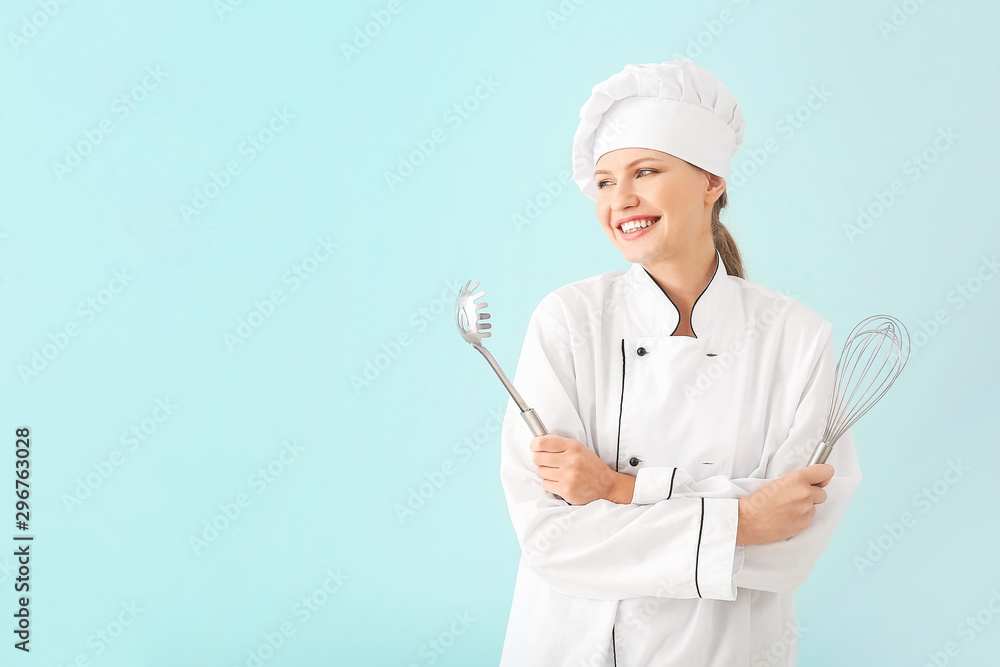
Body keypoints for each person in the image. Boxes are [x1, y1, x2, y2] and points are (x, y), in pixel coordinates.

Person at [497, 60, 862, 666]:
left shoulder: (795, 338)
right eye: (606, 181)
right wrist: (742, 518)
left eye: (646, 171)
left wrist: (615, 491)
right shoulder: (567, 322)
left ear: (711, 180)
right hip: (577, 646)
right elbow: (551, 539)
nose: (622, 200)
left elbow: (794, 538)